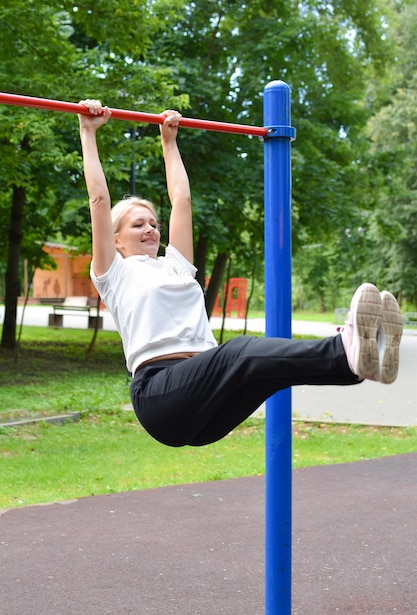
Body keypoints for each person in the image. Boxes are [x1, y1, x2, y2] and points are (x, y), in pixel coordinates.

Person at [78, 100, 403, 448]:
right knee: (242, 352)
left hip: (205, 408)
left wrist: (169, 143)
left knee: (266, 372)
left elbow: (182, 200)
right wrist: (88, 132)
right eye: (138, 224)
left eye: (154, 224)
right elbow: (99, 199)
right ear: (116, 240)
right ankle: (344, 347)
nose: (151, 229)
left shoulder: (174, 265)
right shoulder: (114, 274)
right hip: (160, 395)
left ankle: (358, 365)